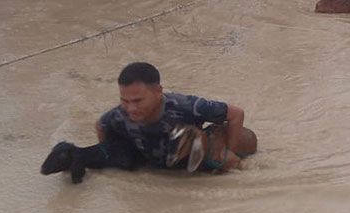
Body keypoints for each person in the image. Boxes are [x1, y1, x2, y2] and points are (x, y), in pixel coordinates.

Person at [97, 62, 257, 170]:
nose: (131, 108)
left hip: (192, 154)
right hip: (156, 160)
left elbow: (236, 114)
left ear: (158, 92)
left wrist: (231, 150)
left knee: (236, 148)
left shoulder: (188, 106)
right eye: (124, 100)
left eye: (138, 101)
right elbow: (100, 126)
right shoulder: (118, 115)